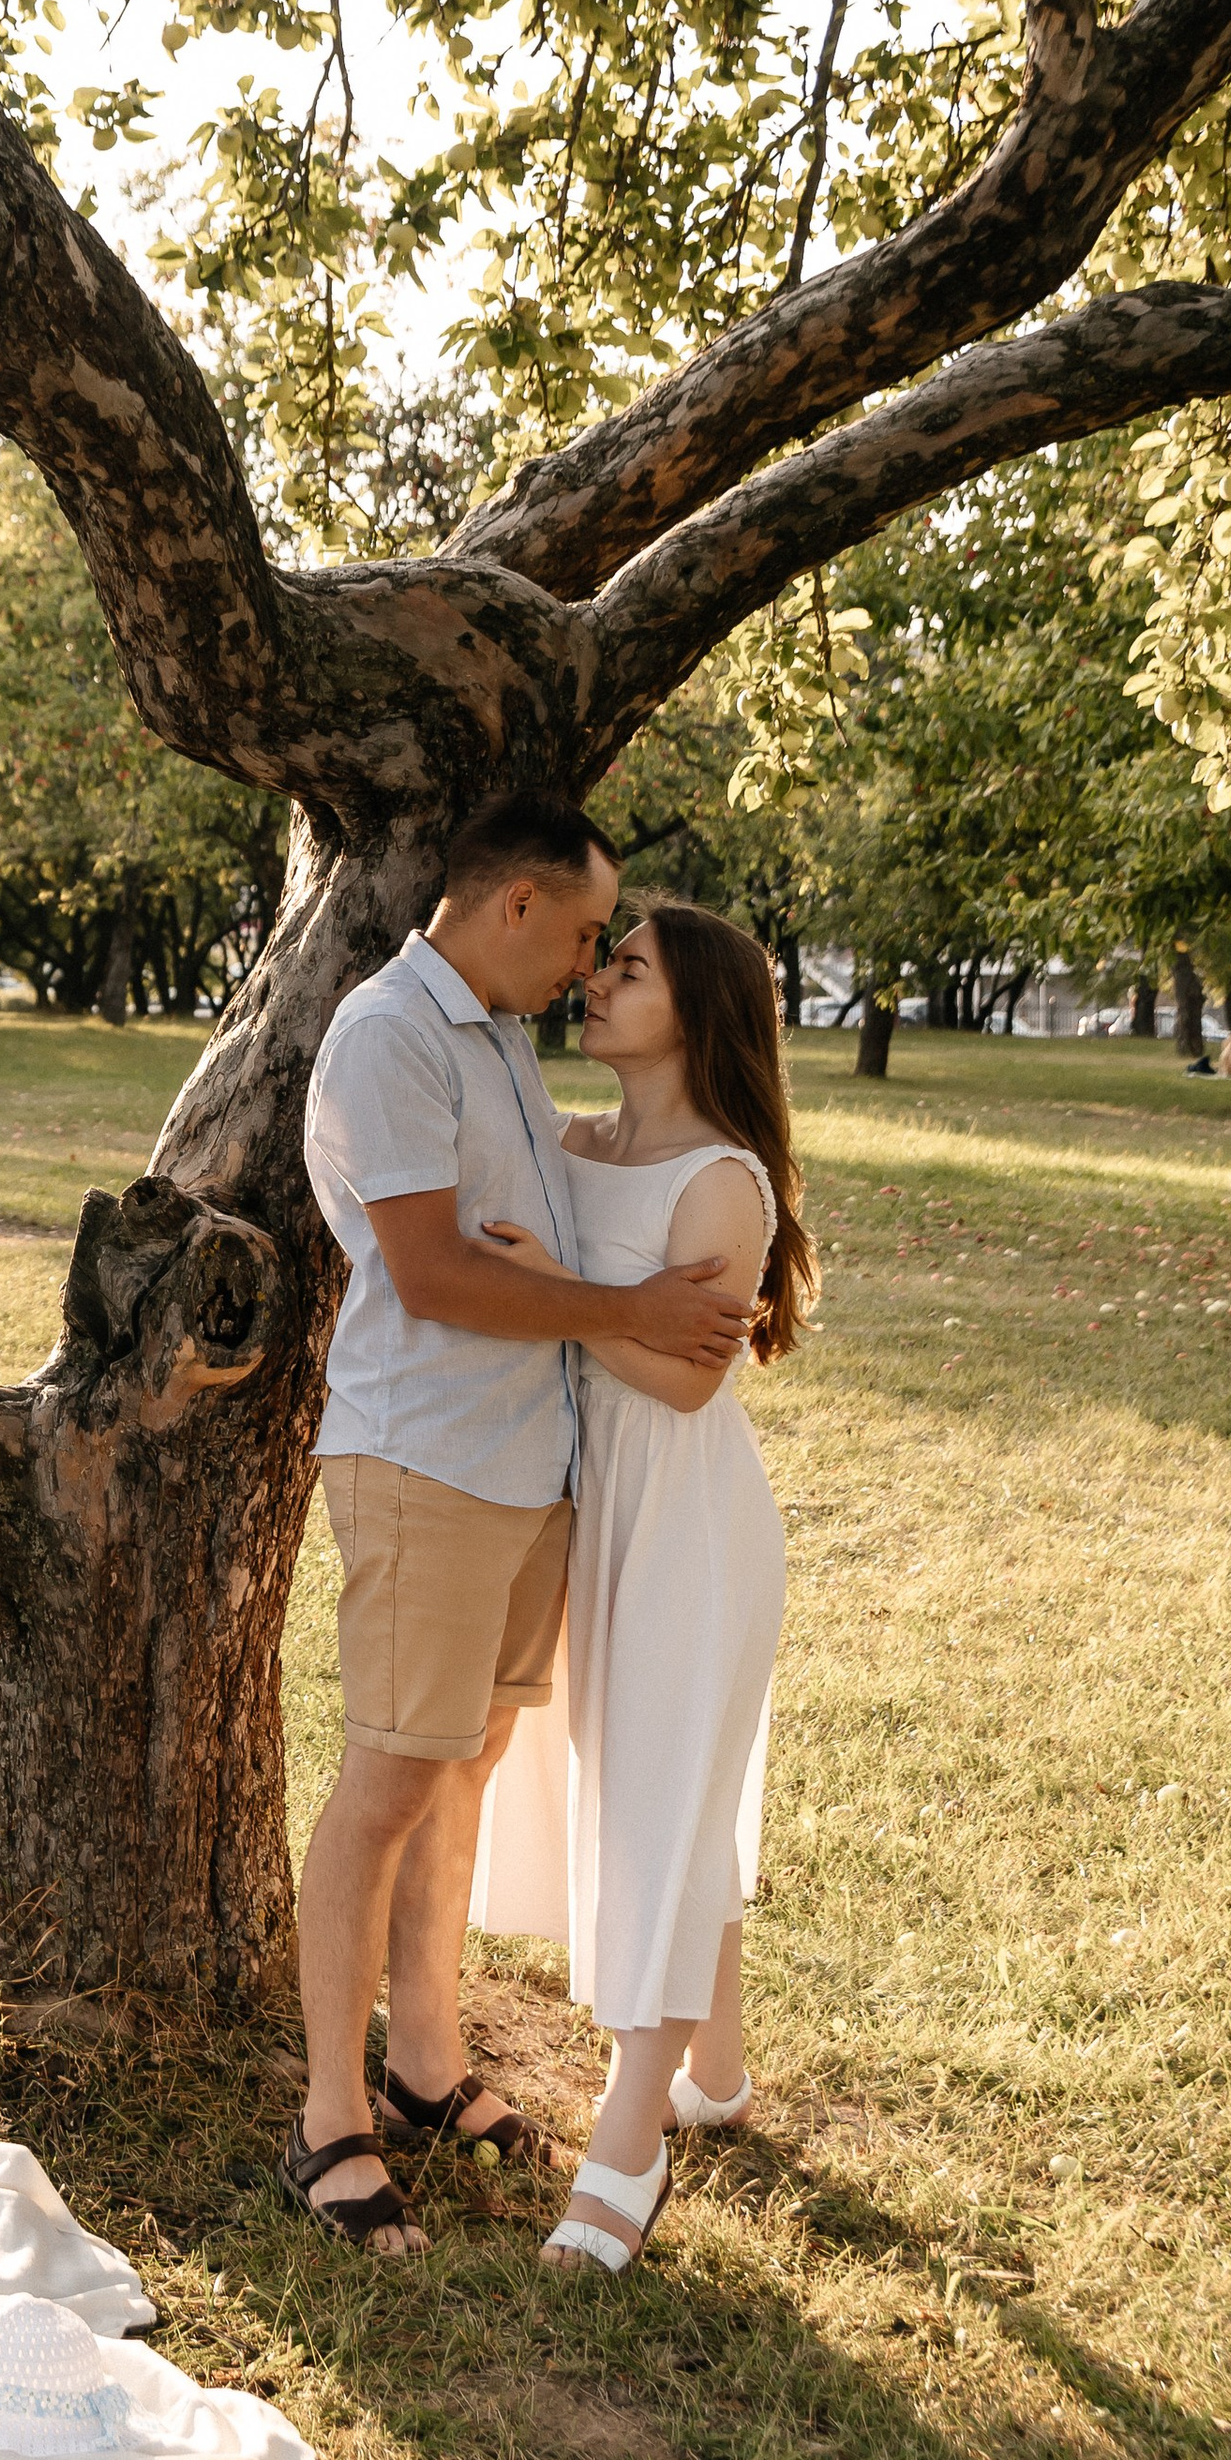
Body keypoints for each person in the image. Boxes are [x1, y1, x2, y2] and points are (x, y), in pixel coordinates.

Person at [281, 800, 759, 2256]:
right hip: (426, 1458)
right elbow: (431, 1274)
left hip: (528, 1466)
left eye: (618, 951)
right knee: (387, 1782)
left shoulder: (496, 1032)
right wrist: (626, 1307)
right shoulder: (392, 1036)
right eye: (585, 933)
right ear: (516, 906)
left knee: (462, 1774)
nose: (588, 964)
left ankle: (425, 2067)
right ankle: (329, 2123)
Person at [476, 903, 817, 2272]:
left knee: (659, 1802)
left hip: (684, 1521)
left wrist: (554, 1289)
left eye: (629, 969)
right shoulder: (570, 1144)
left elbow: (685, 1380)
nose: (597, 980)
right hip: (581, 1504)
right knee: (639, 1786)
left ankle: (632, 2139)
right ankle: (713, 2072)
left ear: (697, 1014)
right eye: (602, 961)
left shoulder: (721, 1184)